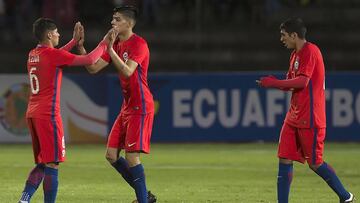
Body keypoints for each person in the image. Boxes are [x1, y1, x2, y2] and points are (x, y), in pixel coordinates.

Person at [256, 17, 355, 203]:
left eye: (284, 35)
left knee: (315, 163)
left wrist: (275, 83)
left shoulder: (310, 51)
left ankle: (345, 196)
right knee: (284, 157)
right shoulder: (295, 55)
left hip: (310, 117)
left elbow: (303, 81)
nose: (281, 39)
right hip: (294, 115)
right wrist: (273, 82)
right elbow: (291, 84)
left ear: (294, 35)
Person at [19, 17, 112, 203]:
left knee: (43, 163)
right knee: (53, 163)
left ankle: (24, 200)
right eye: (56, 32)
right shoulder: (52, 56)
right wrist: (105, 42)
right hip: (48, 115)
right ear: (49, 35)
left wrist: (73, 42)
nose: (59, 34)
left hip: (33, 113)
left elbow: (55, 56)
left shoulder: (33, 53)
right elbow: (90, 59)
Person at [78, 5, 157, 203]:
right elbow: (94, 68)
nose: (113, 22)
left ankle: (142, 200)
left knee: (132, 157)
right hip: (127, 107)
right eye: (112, 19)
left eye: (118, 19)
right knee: (111, 155)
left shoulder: (139, 44)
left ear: (129, 23)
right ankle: (144, 195)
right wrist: (81, 46)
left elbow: (128, 71)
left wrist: (110, 49)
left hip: (140, 105)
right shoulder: (116, 43)